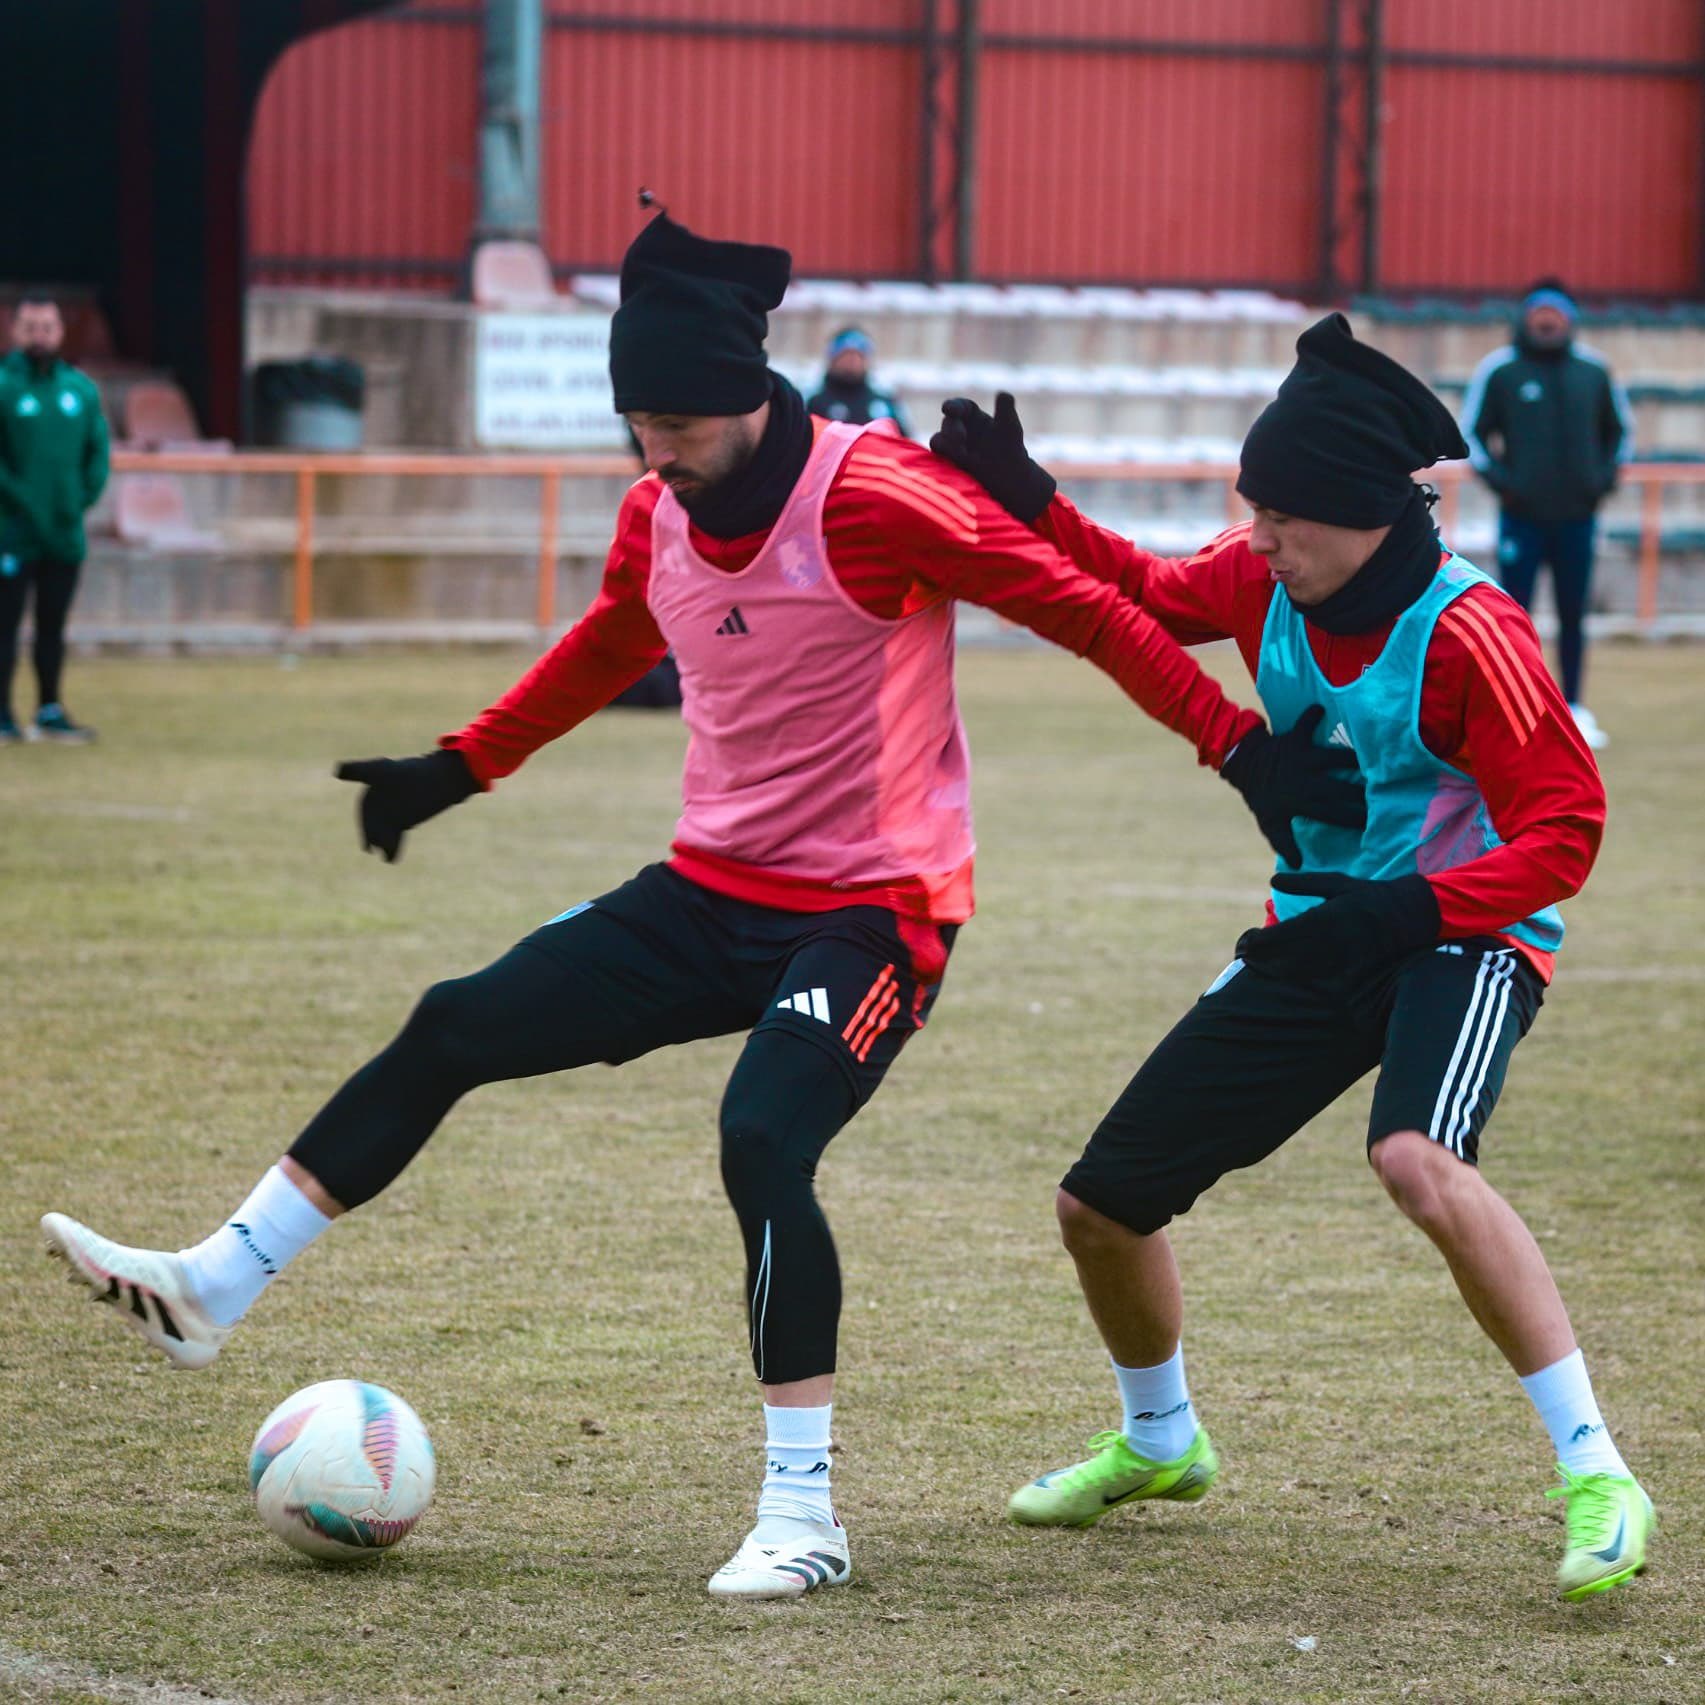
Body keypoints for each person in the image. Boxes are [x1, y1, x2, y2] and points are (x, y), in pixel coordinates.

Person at [41, 215, 1355, 1601]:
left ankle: (805, 1516)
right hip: (704, 893)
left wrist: (1239, 747)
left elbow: (1088, 610)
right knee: (452, 1024)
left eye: (675, 423)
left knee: (760, 1136)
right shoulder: (654, 507)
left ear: (748, 395)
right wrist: (459, 767)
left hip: (875, 916)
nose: (654, 455)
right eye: (636, 427)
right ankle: (214, 1284)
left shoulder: (878, 494)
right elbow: (612, 636)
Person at [932, 315, 1653, 1604]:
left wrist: (1411, 911)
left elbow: (1566, 834)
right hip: (1320, 927)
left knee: (1415, 1158)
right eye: (1248, 511)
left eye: (1278, 517)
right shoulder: (1266, 579)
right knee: (1098, 1207)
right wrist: (1031, 499)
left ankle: (1596, 1466)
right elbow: (1150, 589)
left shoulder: (1471, 634)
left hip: (1468, 934)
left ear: (1367, 515)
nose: (1253, 539)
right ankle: (1162, 1443)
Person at [1460, 279, 1633, 751]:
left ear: (1570, 319)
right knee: (1514, 613)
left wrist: (1599, 482)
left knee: (1573, 612)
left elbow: (1619, 433)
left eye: (1556, 313)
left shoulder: (1593, 373)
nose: (1547, 321)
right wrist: (1506, 485)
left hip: (1578, 518)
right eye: (1539, 312)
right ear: (1526, 317)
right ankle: (1518, 706)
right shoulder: (1502, 372)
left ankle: (1573, 706)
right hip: (1521, 518)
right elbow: (1472, 436)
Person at [0, 295, 109, 744]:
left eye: (47, 326)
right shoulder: (4, 386)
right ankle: (2, 715)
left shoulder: (80, 391)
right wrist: (20, 503)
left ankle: (49, 709)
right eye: (31, 326)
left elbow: (96, 454)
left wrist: (77, 501)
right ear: (15, 331)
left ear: (60, 332)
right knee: (4, 626)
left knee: (52, 627)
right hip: (11, 535)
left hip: (63, 537)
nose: (39, 334)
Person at [805, 326, 910, 436]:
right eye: (846, 354)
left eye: (858, 355)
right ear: (833, 358)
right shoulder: (814, 402)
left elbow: (904, 443)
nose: (852, 360)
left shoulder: (885, 402)